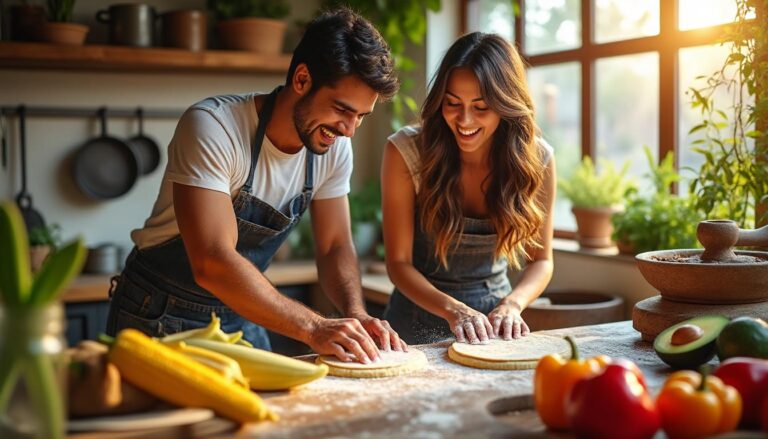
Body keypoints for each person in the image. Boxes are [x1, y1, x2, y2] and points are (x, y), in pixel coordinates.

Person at [106, 8, 406, 363]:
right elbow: (212, 261)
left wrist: (355, 311)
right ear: (302, 79)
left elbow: (335, 245)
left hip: (242, 313)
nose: (349, 129)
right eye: (342, 109)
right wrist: (314, 327)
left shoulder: (334, 146)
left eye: (360, 116)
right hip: (157, 312)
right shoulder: (213, 127)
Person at [380, 32, 556, 345]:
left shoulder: (537, 158)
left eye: (481, 107)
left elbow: (541, 261)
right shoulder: (406, 151)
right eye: (452, 103)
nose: (464, 120)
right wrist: (455, 310)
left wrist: (512, 305)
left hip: (495, 324)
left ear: (506, 105)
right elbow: (398, 264)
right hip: (415, 323)